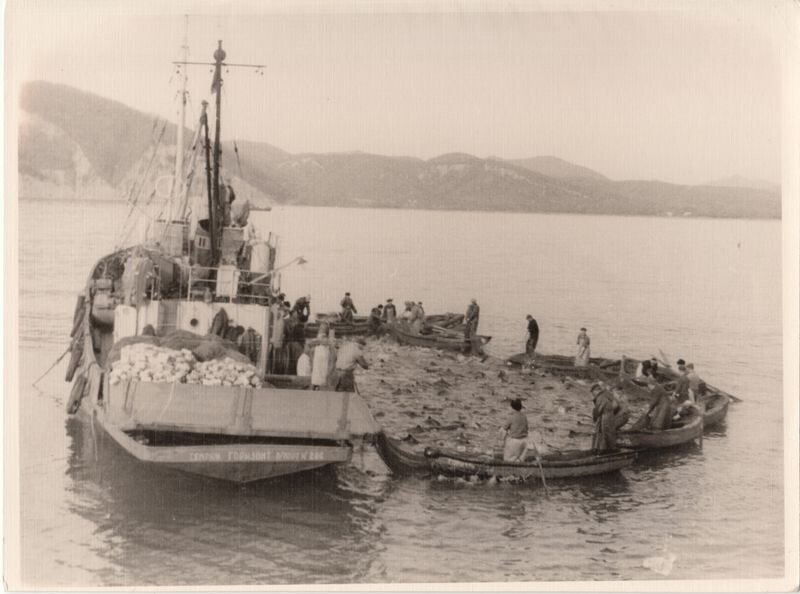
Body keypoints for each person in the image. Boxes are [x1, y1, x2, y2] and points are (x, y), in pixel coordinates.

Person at [590, 384, 625, 452]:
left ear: (596, 390)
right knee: (609, 432)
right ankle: (608, 448)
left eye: (593, 392)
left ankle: (604, 449)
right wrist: (612, 413)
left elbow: (598, 410)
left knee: (604, 432)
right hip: (610, 415)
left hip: (605, 416)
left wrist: (595, 418)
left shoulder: (600, 397)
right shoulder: (608, 395)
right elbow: (617, 406)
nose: (593, 394)